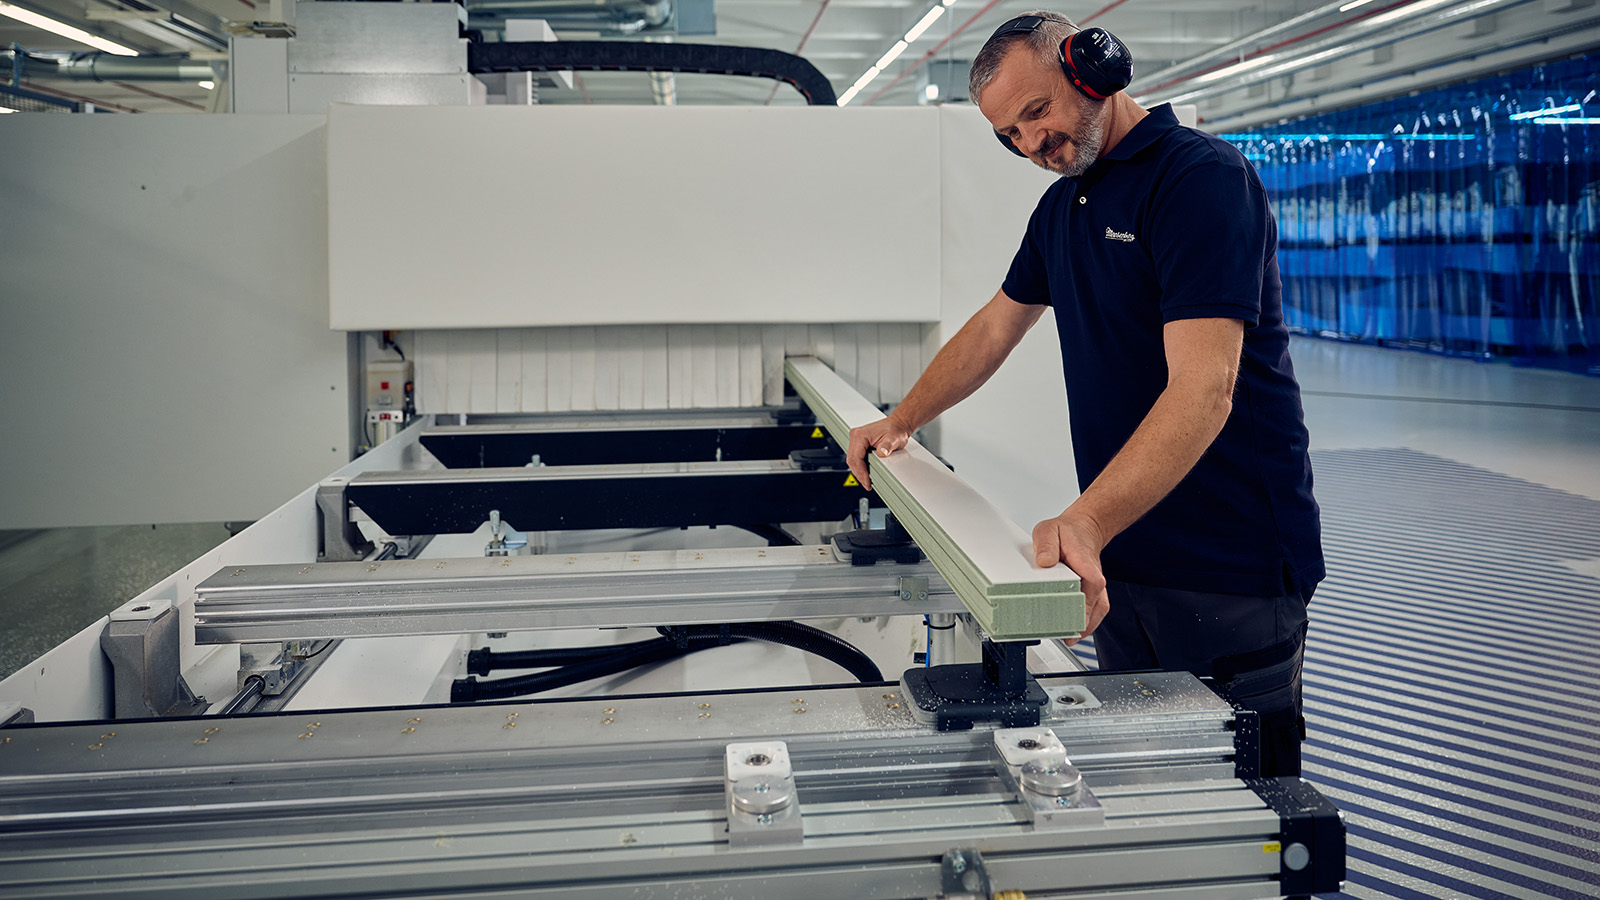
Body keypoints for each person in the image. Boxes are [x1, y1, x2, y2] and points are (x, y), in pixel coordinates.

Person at [844, 10, 1324, 777]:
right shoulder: (1064, 207)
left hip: (1229, 561)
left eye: (1036, 112)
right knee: (1147, 782)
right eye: (1010, 136)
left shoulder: (1198, 180)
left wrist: (1086, 519)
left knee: (1246, 807)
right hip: (1123, 559)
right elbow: (994, 329)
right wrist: (897, 422)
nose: (1032, 145)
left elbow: (1207, 388)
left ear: (1090, 69)